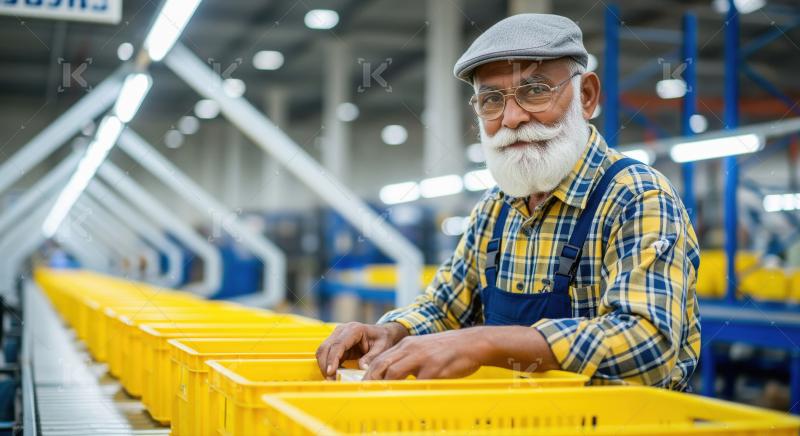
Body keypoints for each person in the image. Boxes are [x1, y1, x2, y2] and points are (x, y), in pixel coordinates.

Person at [316, 13, 700, 390]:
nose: (512, 117)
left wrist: (484, 342)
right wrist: (391, 331)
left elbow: (649, 343)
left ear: (586, 96)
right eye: (491, 100)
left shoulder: (637, 196)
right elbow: (445, 306)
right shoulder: (495, 209)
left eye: (535, 91)